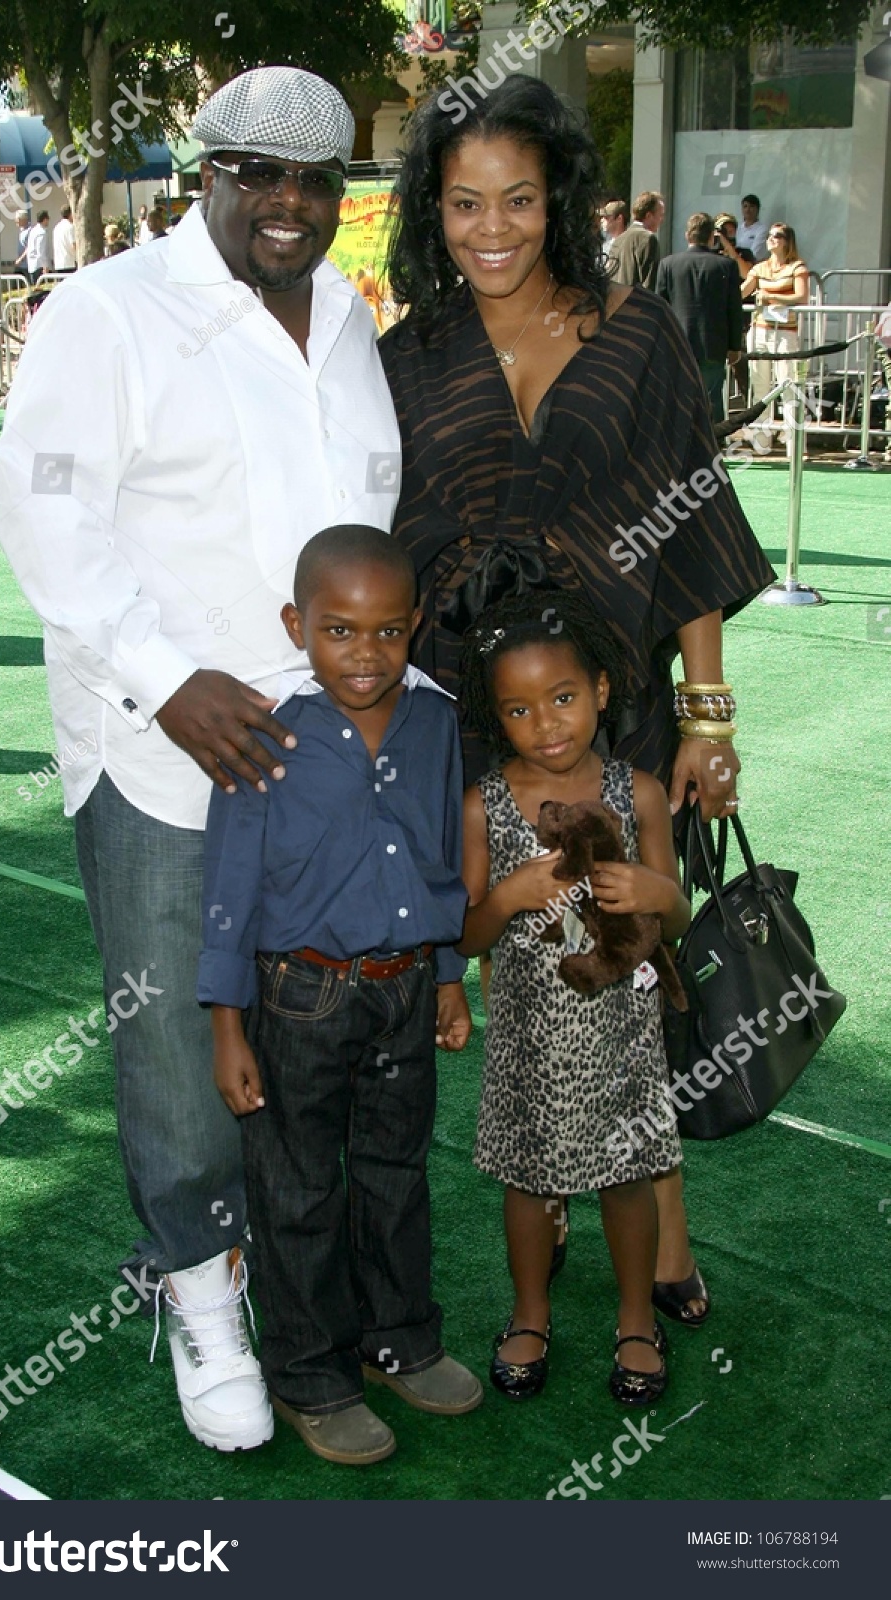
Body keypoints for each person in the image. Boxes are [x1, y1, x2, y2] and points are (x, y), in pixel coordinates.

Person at [0, 65, 400, 1454]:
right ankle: (197, 1293)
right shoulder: (108, 313)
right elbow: (47, 523)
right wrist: (170, 686)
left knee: (301, 1038)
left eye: (315, 181)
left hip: (323, 768)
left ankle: (296, 1291)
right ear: (204, 173)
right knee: (176, 1037)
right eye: (255, 173)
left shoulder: (348, 318)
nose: (288, 204)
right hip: (167, 756)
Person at [380, 74, 776, 1324]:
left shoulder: (635, 331)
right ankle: (547, 1197)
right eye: (460, 203)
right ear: (428, 210)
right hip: (479, 729)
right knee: (532, 970)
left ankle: (659, 1227)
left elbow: (694, 519)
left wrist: (706, 719)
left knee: (634, 955)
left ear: (556, 201)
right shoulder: (406, 355)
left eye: (515, 199)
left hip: (619, 717)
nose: (488, 228)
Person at [201, 524, 479, 1465]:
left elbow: (441, 859)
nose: (366, 655)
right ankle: (310, 1375)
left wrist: (446, 980)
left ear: (415, 627)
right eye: (339, 631)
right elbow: (230, 887)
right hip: (297, 1003)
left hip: (403, 992)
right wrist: (226, 1027)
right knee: (298, 1190)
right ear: (297, 625)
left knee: (396, 1177)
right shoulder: (265, 729)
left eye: (388, 632)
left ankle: (398, 1339)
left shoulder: (437, 721)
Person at [457, 588, 690, 1405]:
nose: (546, 723)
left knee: (628, 1177)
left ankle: (635, 1318)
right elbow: (464, 935)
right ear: (496, 719)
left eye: (561, 698)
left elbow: (682, 912)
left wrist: (655, 891)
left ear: (598, 689)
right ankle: (529, 1311)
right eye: (519, 710)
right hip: (529, 1038)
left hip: (623, 1034)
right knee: (528, 1183)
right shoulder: (482, 805)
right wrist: (510, 897)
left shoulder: (642, 792)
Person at [655, 211, 744, 422]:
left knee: (679, 399)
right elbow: (734, 309)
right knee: (712, 401)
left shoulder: (668, 265)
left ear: (688, 236)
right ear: (712, 237)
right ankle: (713, 447)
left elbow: (661, 308)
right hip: (713, 343)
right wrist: (735, 346)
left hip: (678, 344)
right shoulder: (726, 265)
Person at [742, 222, 810, 454]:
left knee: (788, 385)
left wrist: (770, 295)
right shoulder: (759, 268)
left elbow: (801, 296)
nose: (772, 239)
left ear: (787, 241)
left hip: (785, 333)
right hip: (760, 330)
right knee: (760, 385)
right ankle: (762, 441)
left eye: (777, 236)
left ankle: (794, 443)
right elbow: (743, 291)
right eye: (770, 235)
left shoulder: (797, 267)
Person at [606, 189, 664, 290]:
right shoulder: (648, 239)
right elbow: (649, 283)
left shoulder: (619, 239)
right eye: (660, 215)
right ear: (649, 216)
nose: (661, 219)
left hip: (617, 302)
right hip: (637, 303)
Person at [713, 212, 753, 281]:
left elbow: (747, 275)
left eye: (731, 231)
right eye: (724, 231)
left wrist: (731, 251)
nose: (728, 234)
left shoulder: (745, 253)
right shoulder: (711, 255)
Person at [736, 194, 769, 263]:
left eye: (751, 206)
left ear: (758, 209)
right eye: (745, 206)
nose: (748, 210)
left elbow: (754, 255)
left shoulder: (762, 229)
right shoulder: (738, 227)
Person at [25, 210, 51, 282]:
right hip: (39, 266)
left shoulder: (33, 231)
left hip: (32, 265)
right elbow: (41, 251)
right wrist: (45, 266)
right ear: (45, 219)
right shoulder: (42, 232)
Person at [52, 205, 77, 272]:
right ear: (70, 214)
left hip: (58, 263)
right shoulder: (70, 227)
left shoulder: (56, 228)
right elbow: (73, 245)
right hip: (69, 263)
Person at [13, 209, 32, 281]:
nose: (16, 221)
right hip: (20, 265)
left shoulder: (30, 231)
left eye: (18, 219)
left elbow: (29, 247)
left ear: (24, 219)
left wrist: (20, 259)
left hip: (26, 265)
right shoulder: (22, 230)